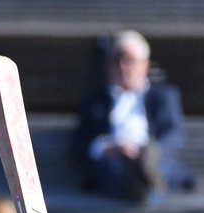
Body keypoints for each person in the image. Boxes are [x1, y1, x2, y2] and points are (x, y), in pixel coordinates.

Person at [73, 30, 193, 203]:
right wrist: (107, 147)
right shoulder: (95, 101)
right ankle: (142, 183)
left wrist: (147, 152)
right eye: (117, 60)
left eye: (129, 60)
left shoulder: (164, 96)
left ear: (145, 65)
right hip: (114, 165)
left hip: (156, 161)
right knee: (114, 168)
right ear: (109, 65)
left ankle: (144, 175)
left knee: (154, 160)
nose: (123, 66)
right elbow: (80, 142)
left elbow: (173, 134)